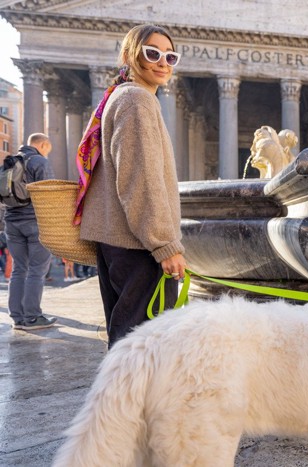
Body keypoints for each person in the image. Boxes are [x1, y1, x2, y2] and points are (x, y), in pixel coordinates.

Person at [75, 24, 186, 349]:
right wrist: (164, 244)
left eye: (170, 55)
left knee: (126, 339)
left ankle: (123, 398)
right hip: (136, 244)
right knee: (140, 344)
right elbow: (140, 179)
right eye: (152, 53)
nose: (162, 62)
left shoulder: (121, 97)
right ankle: (125, 400)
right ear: (129, 55)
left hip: (121, 240)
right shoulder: (137, 100)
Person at [6, 133, 57, 330]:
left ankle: (18, 318)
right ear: (43, 145)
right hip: (35, 223)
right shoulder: (39, 162)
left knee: (19, 269)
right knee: (37, 270)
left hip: (11, 222)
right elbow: (49, 195)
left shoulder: (10, 161)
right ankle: (33, 317)